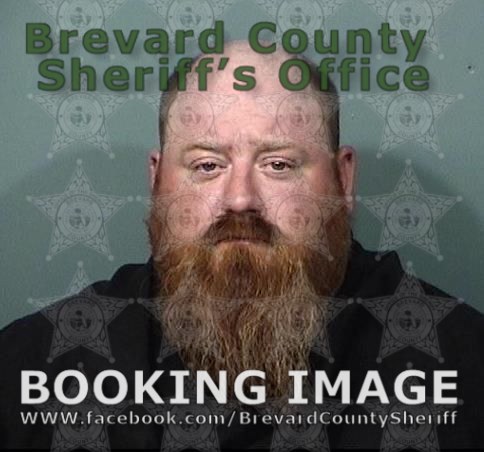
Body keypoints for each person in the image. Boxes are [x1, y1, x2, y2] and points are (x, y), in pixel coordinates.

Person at [1, 42, 483, 451]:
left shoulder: (465, 368)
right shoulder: (32, 368)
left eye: (279, 165)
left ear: (344, 179)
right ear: (156, 181)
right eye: (207, 165)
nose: (240, 200)